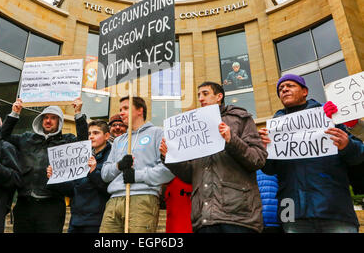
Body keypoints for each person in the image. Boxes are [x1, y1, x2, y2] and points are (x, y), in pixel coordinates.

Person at [259, 74, 364, 233]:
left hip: (335, 209)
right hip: (292, 213)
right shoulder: (275, 128)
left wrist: (347, 145)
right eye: (281, 89)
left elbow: (359, 156)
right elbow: (269, 170)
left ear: (305, 91)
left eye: (290, 85)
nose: (284, 89)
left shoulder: (328, 117)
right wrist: (264, 151)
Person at [160, 81, 267, 233]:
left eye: (205, 93)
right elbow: (189, 175)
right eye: (198, 95)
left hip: (238, 215)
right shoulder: (193, 128)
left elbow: (258, 159)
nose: (201, 99)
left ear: (219, 96)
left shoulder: (240, 118)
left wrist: (232, 140)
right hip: (204, 217)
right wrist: (169, 157)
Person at [1, 97, 88, 233]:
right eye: (45, 117)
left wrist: (78, 113)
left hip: (51, 207)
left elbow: (84, 145)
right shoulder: (26, 138)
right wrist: (14, 114)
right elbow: (3, 138)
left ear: (59, 121)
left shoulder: (67, 141)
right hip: (24, 204)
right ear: (40, 120)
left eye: (53, 118)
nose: (48, 121)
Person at [100, 96, 174, 233]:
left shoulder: (158, 133)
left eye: (126, 108)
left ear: (140, 110)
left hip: (142, 198)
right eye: (120, 109)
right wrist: (119, 166)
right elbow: (104, 174)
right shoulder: (118, 141)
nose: (121, 112)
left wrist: (137, 176)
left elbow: (168, 170)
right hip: (114, 200)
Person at [47, 120, 111, 233]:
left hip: (97, 221)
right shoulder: (81, 156)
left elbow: (109, 189)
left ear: (107, 136)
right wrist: (55, 178)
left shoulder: (111, 157)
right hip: (76, 220)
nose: (91, 137)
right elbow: (72, 189)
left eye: (96, 133)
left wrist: (93, 172)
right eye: (89, 133)